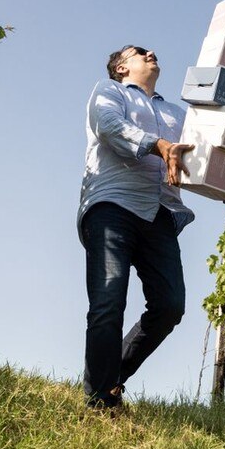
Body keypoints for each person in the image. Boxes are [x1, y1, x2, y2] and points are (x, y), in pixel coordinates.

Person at [77, 44, 194, 411]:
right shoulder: (108, 91)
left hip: (159, 213)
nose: (152, 53)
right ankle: (100, 399)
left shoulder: (179, 113)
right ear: (121, 68)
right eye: (140, 52)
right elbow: (109, 126)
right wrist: (157, 145)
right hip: (112, 205)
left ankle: (110, 377)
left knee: (170, 305)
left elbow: (205, 155)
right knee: (109, 300)